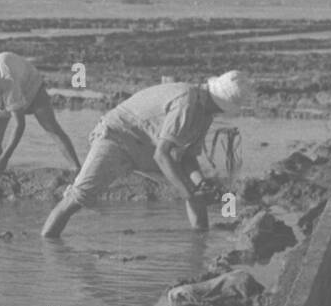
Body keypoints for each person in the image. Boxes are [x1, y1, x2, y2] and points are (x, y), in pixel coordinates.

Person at [40, 70, 252, 238]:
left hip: (146, 144)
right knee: (79, 196)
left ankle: (199, 243)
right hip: (116, 137)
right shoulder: (186, 103)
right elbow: (162, 155)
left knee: (194, 187)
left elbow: (188, 157)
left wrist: (200, 184)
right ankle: (47, 243)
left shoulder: (205, 113)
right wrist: (188, 193)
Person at [0, 51, 82, 173]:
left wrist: (5, 157)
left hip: (29, 85)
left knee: (51, 127)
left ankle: (76, 168)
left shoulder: (7, 80)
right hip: (0, 92)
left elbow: (19, 124)